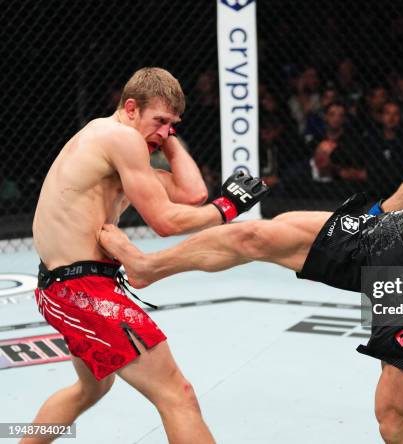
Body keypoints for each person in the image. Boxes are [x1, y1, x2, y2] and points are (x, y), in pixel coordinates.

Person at [99, 26, 403, 443]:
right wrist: (380, 213)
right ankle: (147, 267)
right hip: (390, 230)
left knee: (394, 423)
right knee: (259, 236)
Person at [24, 67, 268, 444]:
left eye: (173, 124)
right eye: (160, 120)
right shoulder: (121, 139)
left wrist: (166, 137)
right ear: (132, 107)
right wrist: (229, 207)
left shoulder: (109, 140)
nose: (165, 130)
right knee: (178, 395)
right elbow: (166, 221)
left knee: (90, 389)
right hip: (84, 290)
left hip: (64, 288)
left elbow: (190, 195)